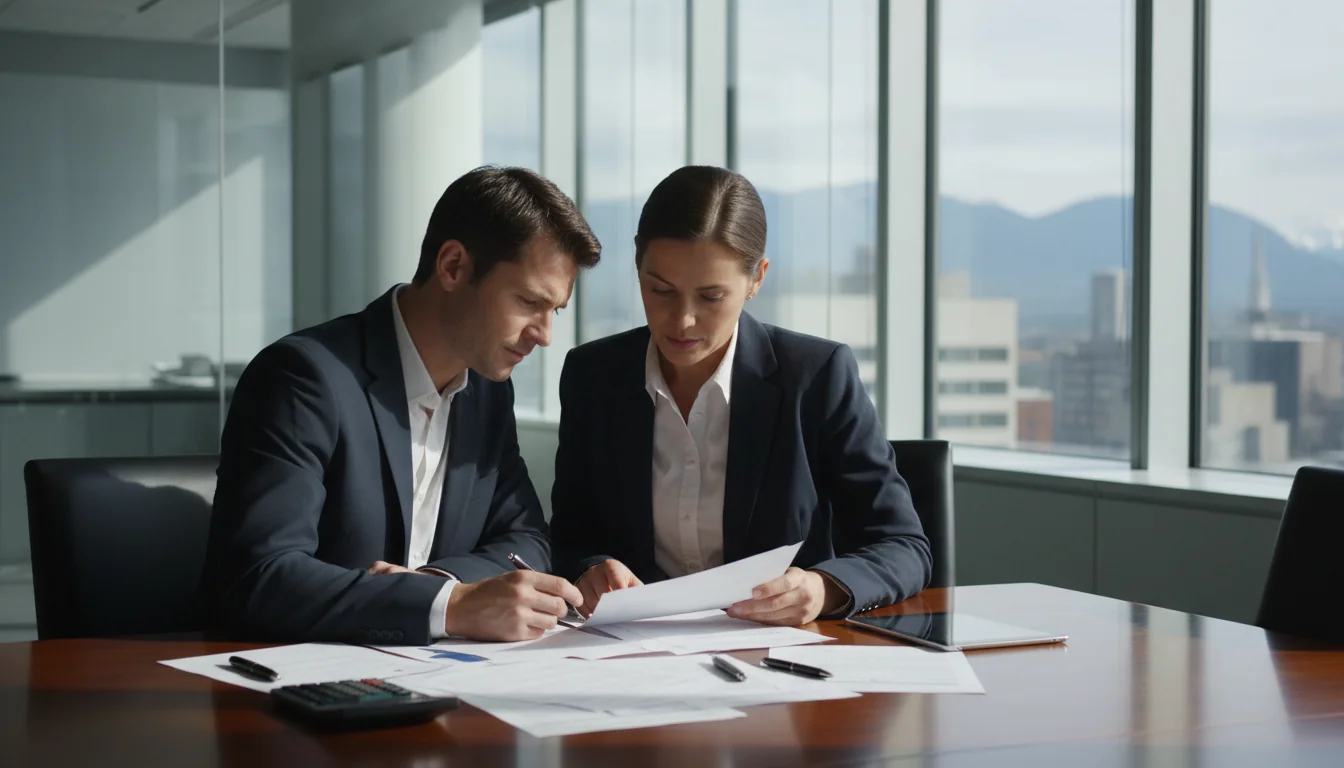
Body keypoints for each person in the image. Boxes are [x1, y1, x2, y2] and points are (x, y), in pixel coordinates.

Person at [204, 167, 597, 644]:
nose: (545, 335)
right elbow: (259, 577)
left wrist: (439, 588)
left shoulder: (488, 391)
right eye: (528, 301)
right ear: (452, 266)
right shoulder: (304, 378)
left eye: (553, 310)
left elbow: (528, 542)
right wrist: (450, 607)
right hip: (293, 689)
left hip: (432, 680)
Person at [549, 165, 931, 626]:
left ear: (757, 278)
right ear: (637, 264)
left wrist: (822, 588)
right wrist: (589, 568)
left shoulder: (816, 376)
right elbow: (568, 536)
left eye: (711, 297)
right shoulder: (593, 377)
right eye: (661, 291)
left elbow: (903, 546)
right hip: (633, 652)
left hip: (775, 656)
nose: (682, 321)